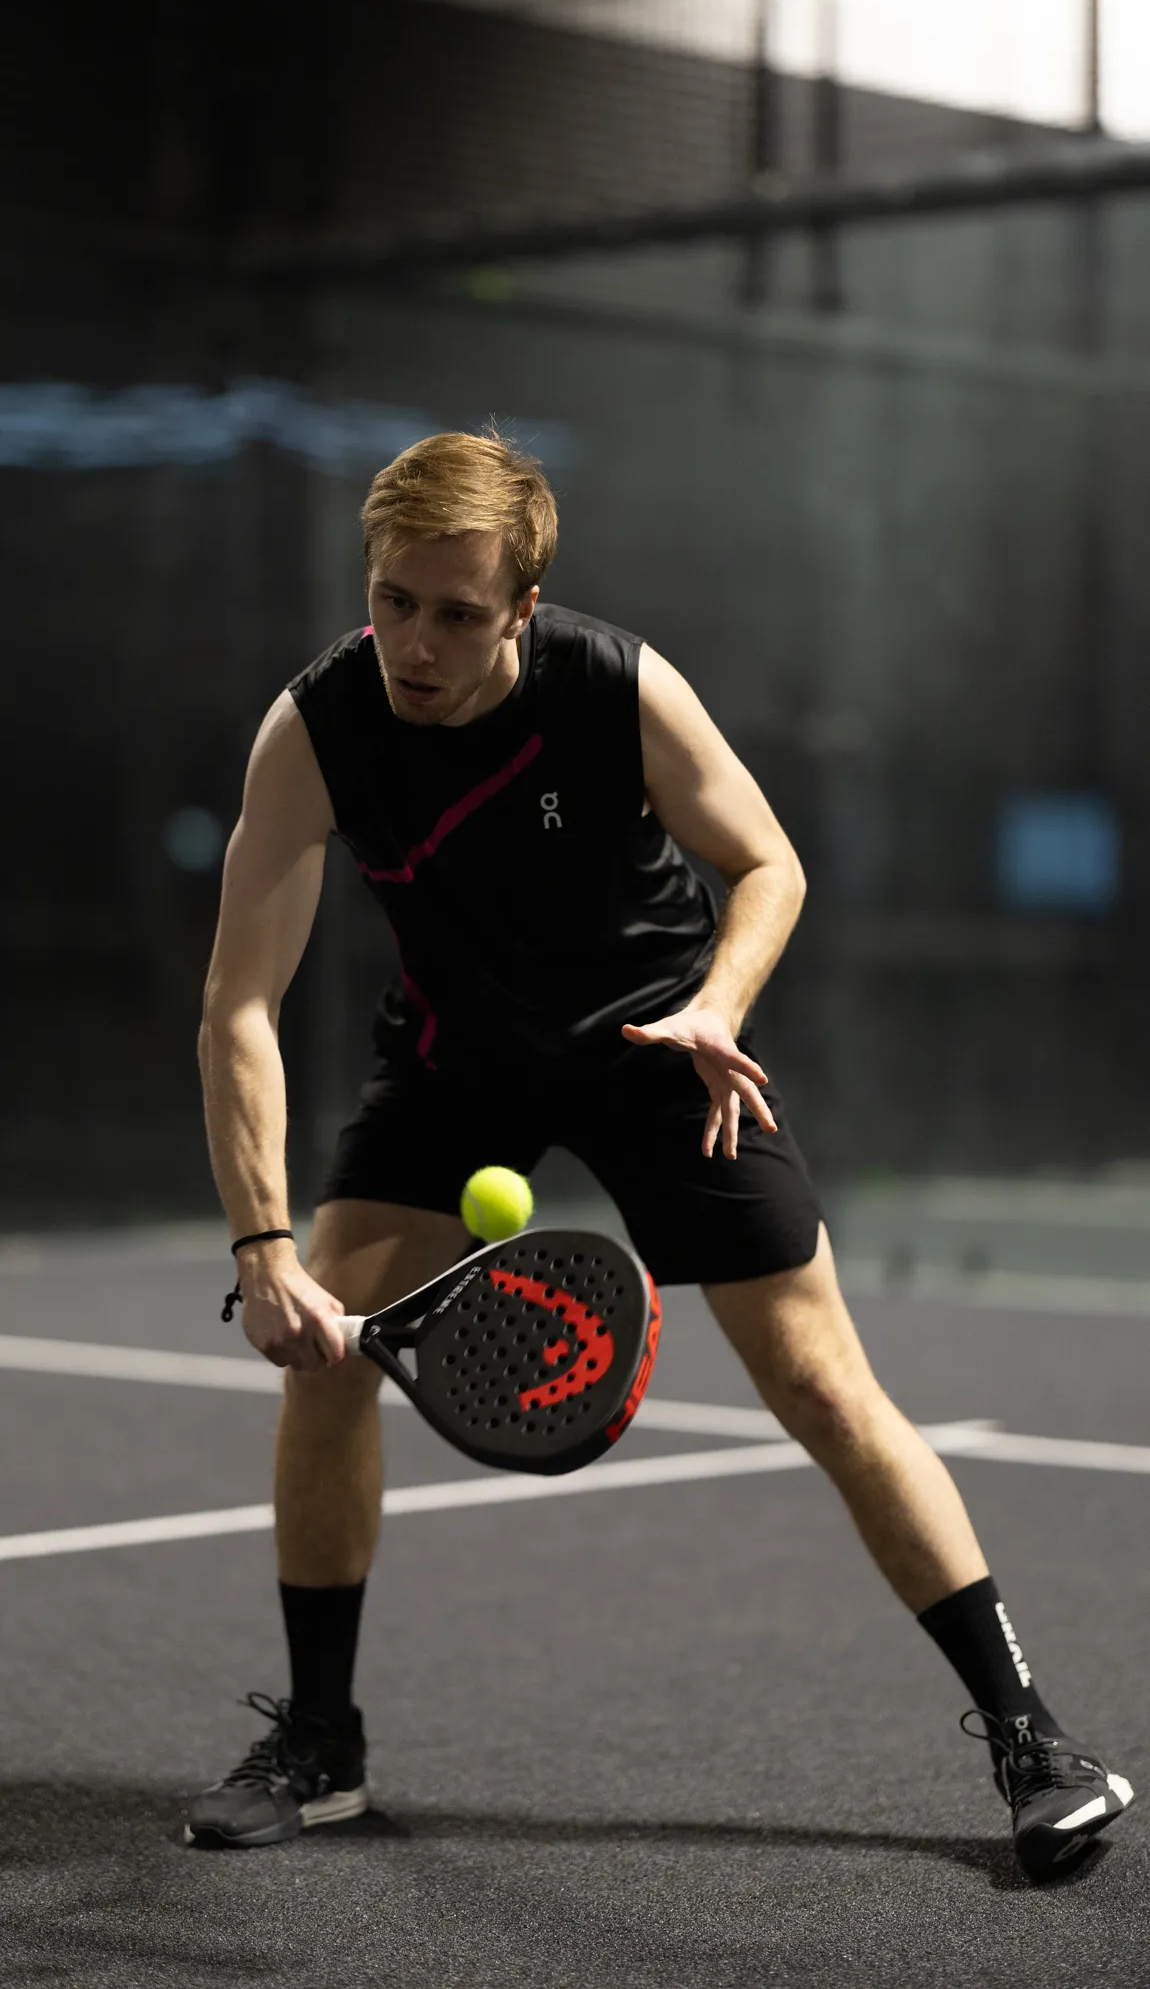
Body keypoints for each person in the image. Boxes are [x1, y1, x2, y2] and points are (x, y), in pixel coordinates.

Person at [189, 430, 1132, 1877]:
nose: (414, 643)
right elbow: (237, 1003)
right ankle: (321, 1741)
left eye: (454, 611)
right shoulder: (316, 729)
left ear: (521, 604)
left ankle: (1032, 1739)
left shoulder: (611, 686)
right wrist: (260, 1250)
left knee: (822, 1382)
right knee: (323, 1366)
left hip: (656, 1048)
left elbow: (769, 863)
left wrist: (712, 1005)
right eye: (392, 601)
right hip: (453, 1061)